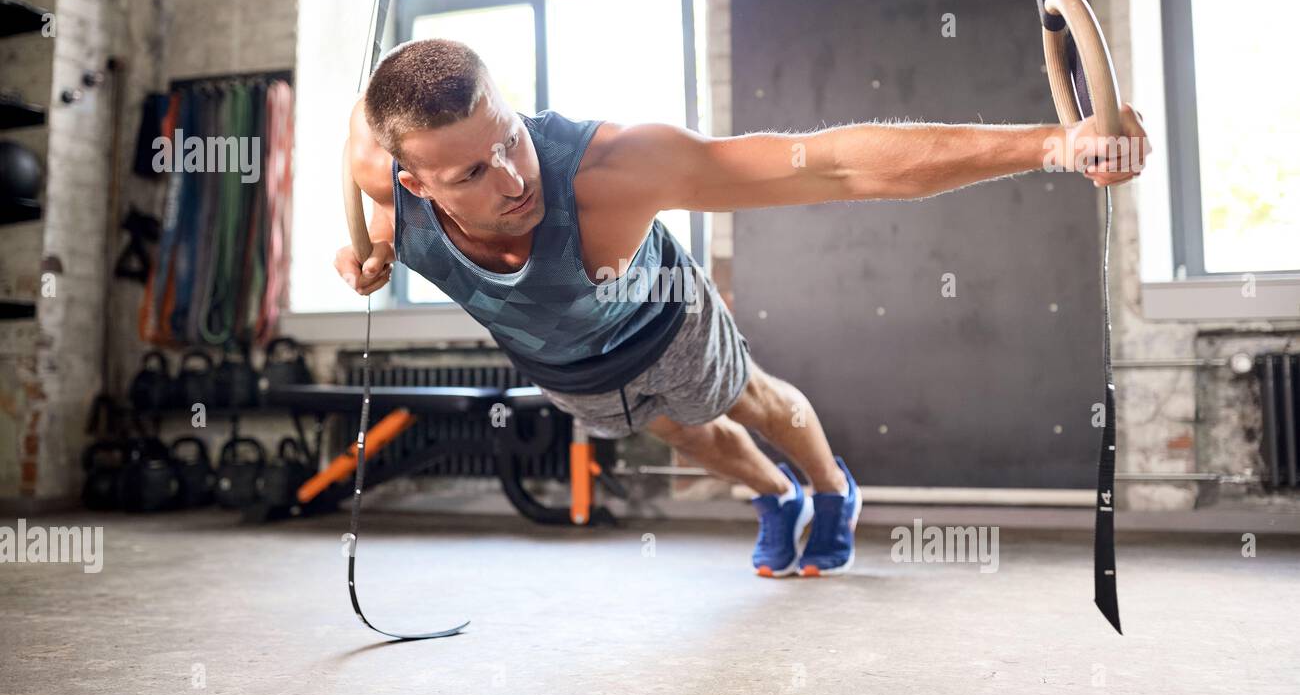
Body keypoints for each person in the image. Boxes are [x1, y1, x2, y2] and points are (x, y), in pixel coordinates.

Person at [336, 38, 1148, 577]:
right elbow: (358, 142)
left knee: (747, 400)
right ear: (414, 183)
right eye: (472, 174)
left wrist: (1052, 144)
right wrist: (363, 255)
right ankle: (776, 495)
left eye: (510, 138)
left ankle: (830, 488)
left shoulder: (609, 169)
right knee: (688, 433)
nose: (514, 178)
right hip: (566, 367)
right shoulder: (389, 195)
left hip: (665, 318)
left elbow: (830, 166)